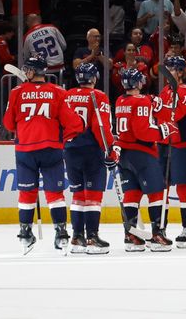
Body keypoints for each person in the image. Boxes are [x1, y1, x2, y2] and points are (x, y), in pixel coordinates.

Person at [3, 55, 84, 254]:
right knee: (55, 194)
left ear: (32, 71)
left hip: (25, 150)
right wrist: (62, 138)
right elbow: (75, 124)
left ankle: (25, 233)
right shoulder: (58, 92)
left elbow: (8, 124)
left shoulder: (16, 92)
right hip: (51, 149)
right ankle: (61, 234)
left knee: (26, 194)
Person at [112, 68, 177, 252]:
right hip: (142, 154)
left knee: (132, 194)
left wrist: (153, 101)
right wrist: (166, 129)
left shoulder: (120, 100)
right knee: (157, 193)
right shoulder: (140, 102)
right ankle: (157, 235)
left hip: (125, 155)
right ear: (138, 82)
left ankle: (131, 235)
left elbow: (139, 111)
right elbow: (143, 132)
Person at [63, 63, 114, 254]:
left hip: (70, 150)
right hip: (91, 150)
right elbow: (100, 127)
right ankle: (92, 237)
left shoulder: (67, 95)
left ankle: (77, 238)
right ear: (94, 78)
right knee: (93, 196)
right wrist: (110, 151)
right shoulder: (98, 96)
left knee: (77, 195)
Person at [154, 56, 186, 247]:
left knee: (183, 187)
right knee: (162, 187)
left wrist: (160, 108)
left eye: (172, 69)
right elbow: (158, 116)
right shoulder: (165, 91)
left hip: (182, 145)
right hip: (164, 143)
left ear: (180, 72)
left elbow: (176, 114)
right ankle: (160, 227)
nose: (168, 73)